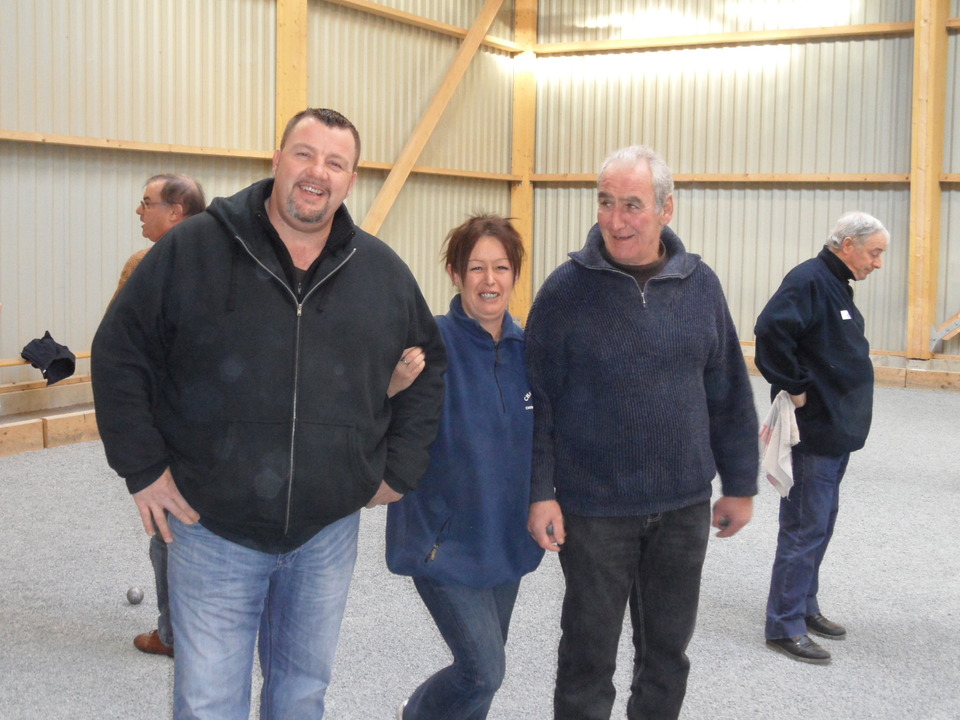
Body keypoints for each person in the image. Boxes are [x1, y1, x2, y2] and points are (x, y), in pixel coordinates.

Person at [92, 108, 447, 719]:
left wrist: (397, 471)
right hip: (212, 529)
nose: (317, 173)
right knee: (208, 702)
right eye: (305, 154)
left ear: (351, 180)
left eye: (335, 163)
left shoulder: (379, 272)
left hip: (326, 535)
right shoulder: (195, 248)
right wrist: (143, 467)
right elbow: (119, 351)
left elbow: (429, 366)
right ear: (277, 160)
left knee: (301, 696)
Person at [525, 144, 759, 720]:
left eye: (632, 205)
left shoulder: (700, 285)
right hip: (594, 509)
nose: (616, 219)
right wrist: (540, 490)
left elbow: (727, 388)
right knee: (587, 655)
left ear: (666, 209)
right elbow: (539, 405)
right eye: (606, 202)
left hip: (681, 506)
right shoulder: (565, 290)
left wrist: (741, 485)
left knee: (666, 654)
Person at [386, 215, 544, 720]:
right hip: (443, 541)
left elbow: (551, 438)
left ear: (516, 274)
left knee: (482, 676)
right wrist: (388, 388)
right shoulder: (430, 342)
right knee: (483, 670)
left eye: (501, 267)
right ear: (455, 273)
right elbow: (370, 412)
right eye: (476, 267)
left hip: (507, 538)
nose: (490, 280)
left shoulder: (531, 352)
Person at [756, 211, 890, 664]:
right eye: (874, 252)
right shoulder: (809, 279)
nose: (877, 263)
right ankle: (784, 624)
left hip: (837, 431)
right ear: (847, 244)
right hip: (814, 431)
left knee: (821, 522)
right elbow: (770, 333)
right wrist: (793, 387)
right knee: (804, 527)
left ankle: (805, 605)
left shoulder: (837, 285)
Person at [108, 173, 206, 658]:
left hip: (169, 432)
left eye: (146, 202)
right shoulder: (223, 262)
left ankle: (173, 636)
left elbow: (118, 353)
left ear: (177, 212)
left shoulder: (143, 266)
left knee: (168, 535)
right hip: (209, 428)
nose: (139, 211)